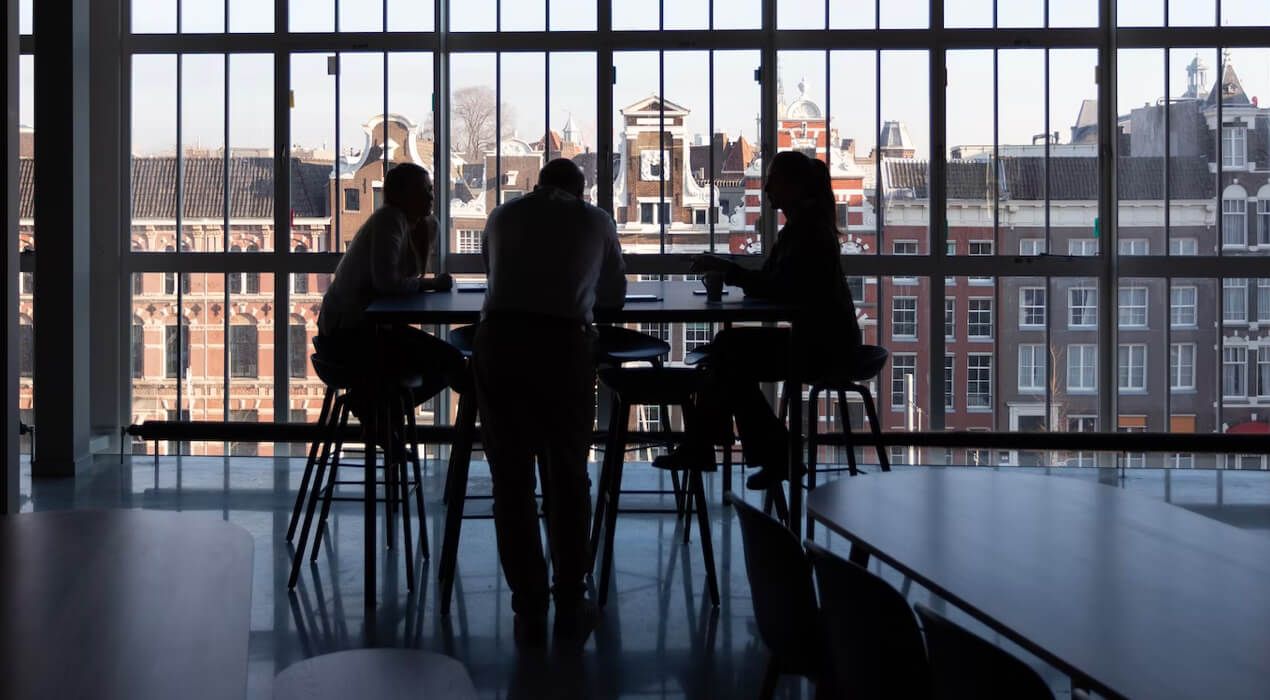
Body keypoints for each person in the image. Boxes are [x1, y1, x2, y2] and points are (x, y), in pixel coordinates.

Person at [472, 158, 626, 645]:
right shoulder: (596, 220)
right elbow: (614, 297)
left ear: (538, 185)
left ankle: (528, 606)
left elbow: (493, 275)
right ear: (580, 191)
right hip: (564, 347)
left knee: (511, 480)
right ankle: (571, 599)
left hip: (500, 343)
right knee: (567, 476)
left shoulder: (501, 215)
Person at [656, 150, 862, 490]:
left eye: (773, 182)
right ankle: (760, 451)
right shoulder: (803, 227)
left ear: (794, 187)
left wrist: (728, 270)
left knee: (728, 353)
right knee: (729, 355)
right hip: (825, 340)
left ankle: (723, 447)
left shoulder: (805, 232)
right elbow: (777, 283)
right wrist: (733, 271)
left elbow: (779, 287)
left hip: (821, 348)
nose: (766, 189)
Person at [316, 162, 463, 409]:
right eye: (423, 190)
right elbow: (387, 283)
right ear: (401, 195)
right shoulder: (389, 219)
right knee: (451, 361)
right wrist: (430, 284)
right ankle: (380, 409)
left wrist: (427, 234)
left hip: (350, 331)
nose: (431, 196)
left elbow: (396, 281)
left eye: (430, 190)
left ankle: (382, 411)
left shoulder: (413, 224)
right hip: (350, 336)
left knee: (446, 362)